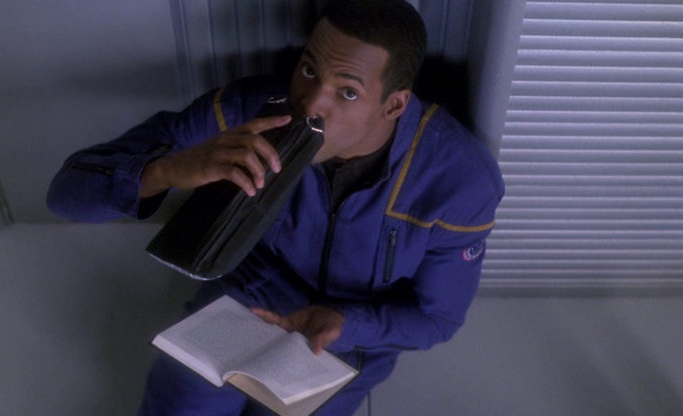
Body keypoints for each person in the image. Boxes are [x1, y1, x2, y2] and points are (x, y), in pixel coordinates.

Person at [47, 0, 504, 414]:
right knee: (181, 398)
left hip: (348, 335)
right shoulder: (251, 110)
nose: (312, 104)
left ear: (395, 105)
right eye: (309, 70)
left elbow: (436, 320)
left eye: (347, 92)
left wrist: (347, 323)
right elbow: (65, 195)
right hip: (253, 294)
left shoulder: (461, 181)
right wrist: (169, 171)